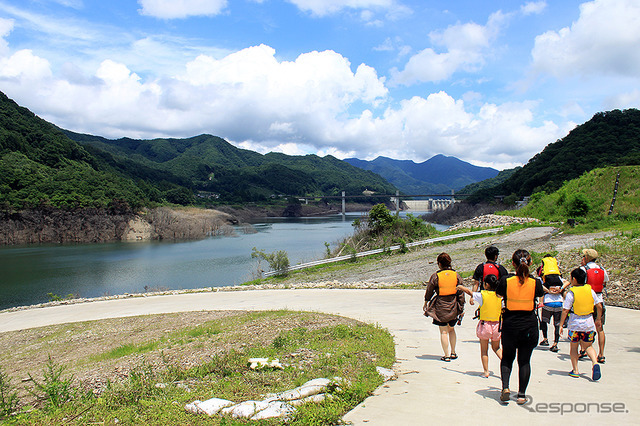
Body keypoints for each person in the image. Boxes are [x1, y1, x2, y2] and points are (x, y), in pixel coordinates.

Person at [495, 249, 544, 405]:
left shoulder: (505, 280)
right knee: (524, 361)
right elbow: (539, 294)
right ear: (529, 263)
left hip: (510, 324)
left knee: (507, 358)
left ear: (513, 264)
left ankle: (506, 388)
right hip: (529, 325)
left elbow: (498, 294)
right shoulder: (535, 282)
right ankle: (522, 394)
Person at [559, 267, 603, 381]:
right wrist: (598, 318)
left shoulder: (571, 292)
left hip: (575, 323)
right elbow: (599, 305)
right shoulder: (590, 290)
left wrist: (561, 325)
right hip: (588, 322)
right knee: (588, 346)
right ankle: (594, 362)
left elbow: (565, 310)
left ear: (574, 279)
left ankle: (575, 370)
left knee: (574, 346)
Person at [458, 274, 503, 377]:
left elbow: (470, 292)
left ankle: (486, 371)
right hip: (497, 325)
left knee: (484, 350)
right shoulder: (500, 296)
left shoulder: (482, 295)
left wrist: (461, 287)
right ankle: (505, 363)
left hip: (485, 324)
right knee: (496, 348)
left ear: (486, 284)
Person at [423, 252, 466, 362]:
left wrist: (426, 302)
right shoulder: (456, 275)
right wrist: (461, 307)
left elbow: (430, 290)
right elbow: (461, 293)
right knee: (451, 329)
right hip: (453, 305)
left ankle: (446, 355)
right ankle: (453, 352)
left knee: (443, 331)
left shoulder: (436, 276)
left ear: (439, 264)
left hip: (441, 305)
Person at [579, 249, 609, 363]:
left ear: (586, 258)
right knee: (600, 328)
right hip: (599, 300)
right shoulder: (602, 269)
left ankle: (583, 349)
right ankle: (601, 354)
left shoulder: (583, 270)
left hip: (587, 301)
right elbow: (604, 282)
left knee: (584, 327)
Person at [537, 254, 568, 352]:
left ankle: (545, 339)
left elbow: (540, 286)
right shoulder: (559, 278)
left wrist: (549, 291)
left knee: (544, 321)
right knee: (557, 324)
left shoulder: (544, 278)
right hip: (559, 303)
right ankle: (555, 343)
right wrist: (561, 289)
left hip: (548, 303)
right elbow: (567, 282)